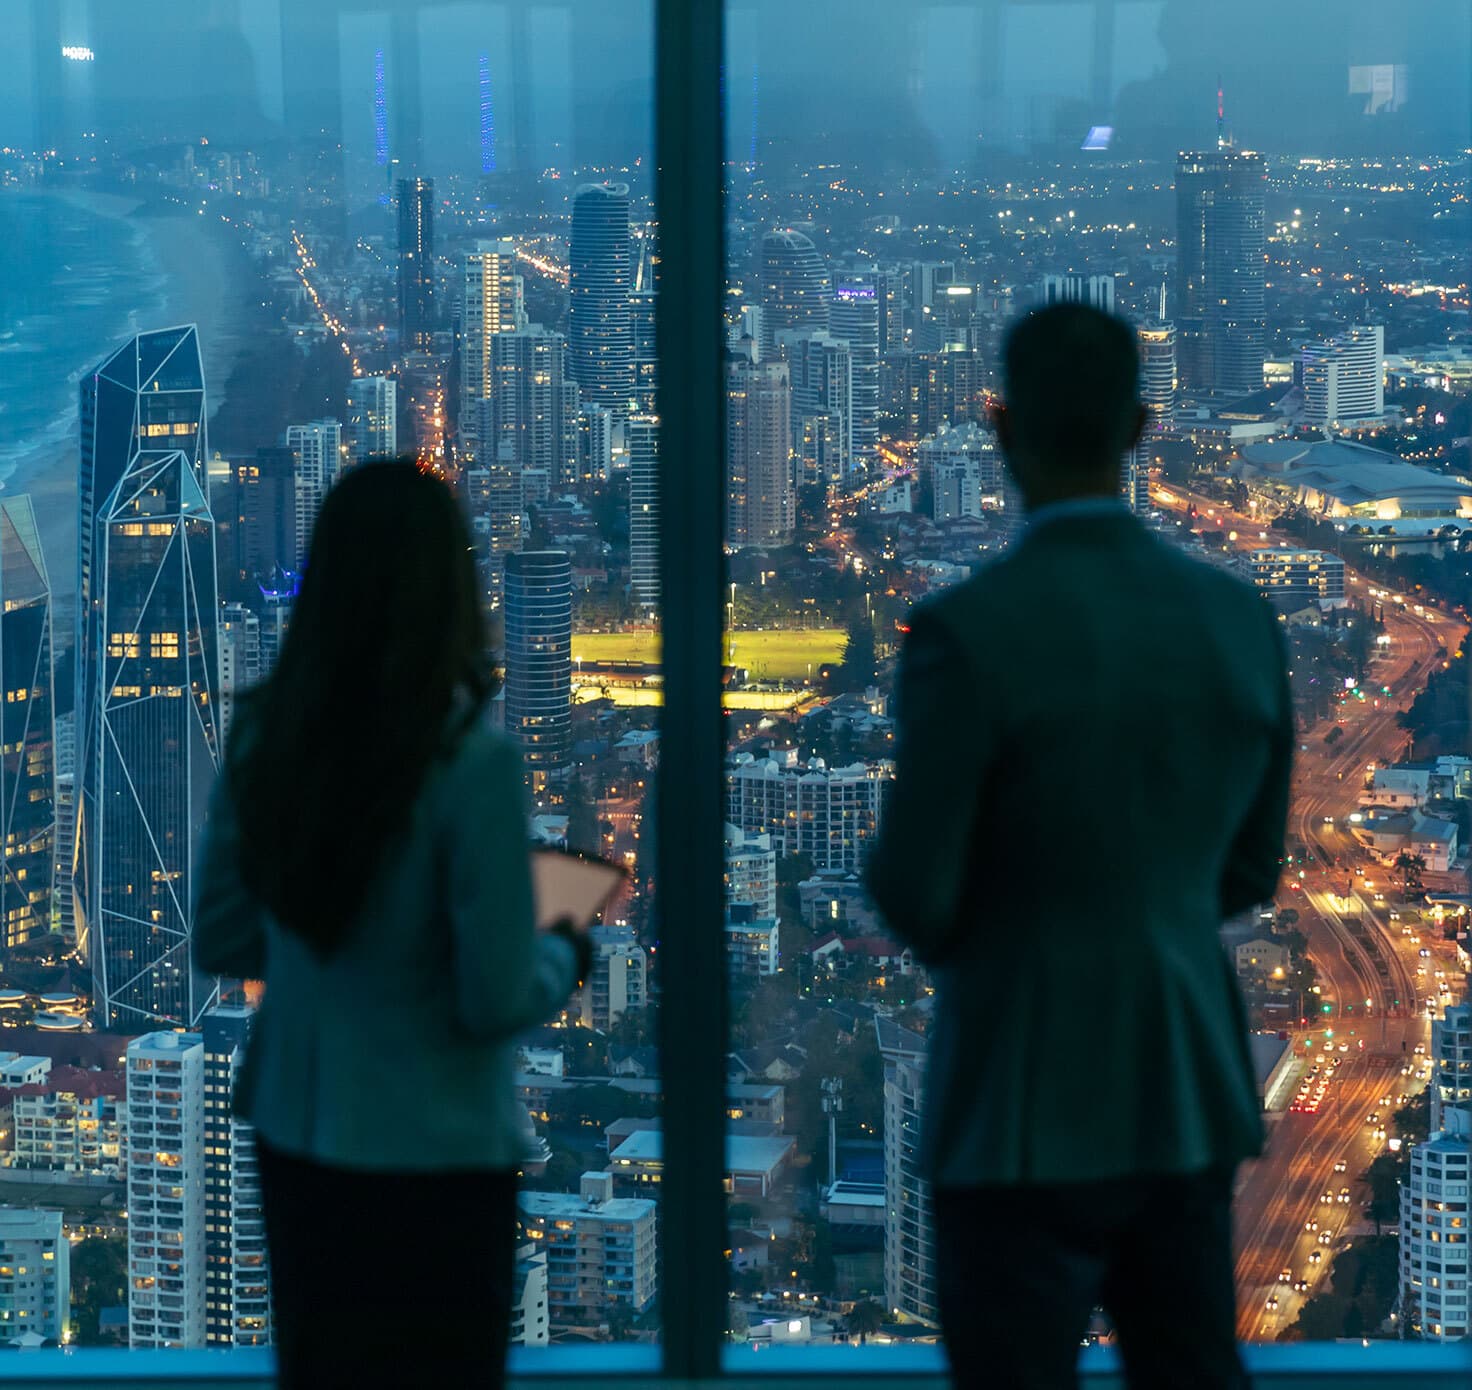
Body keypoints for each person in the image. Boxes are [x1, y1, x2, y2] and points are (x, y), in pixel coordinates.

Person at [866, 304, 1291, 1389]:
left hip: (1013, 1090)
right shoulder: (1235, 622)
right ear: (1139, 426)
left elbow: (915, 892)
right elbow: (1247, 871)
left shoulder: (966, 634)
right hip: (1177, 1079)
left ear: (999, 432)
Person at [193, 460, 591, 1387]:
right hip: (440, 1152)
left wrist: (320, 953)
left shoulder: (264, 734)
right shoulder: (472, 762)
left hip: (303, 1133)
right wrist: (562, 951)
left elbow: (220, 934)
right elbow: (493, 994)